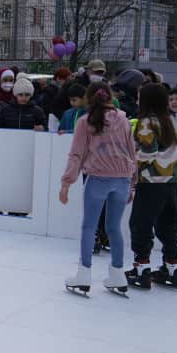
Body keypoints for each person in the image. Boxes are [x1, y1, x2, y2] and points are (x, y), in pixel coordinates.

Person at [58, 81, 136, 295]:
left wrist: (66, 183)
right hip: (121, 179)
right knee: (114, 227)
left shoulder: (85, 121)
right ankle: (118, 274)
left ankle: (84, 274)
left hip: (98, 178)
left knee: (88, 227)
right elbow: (131, 151)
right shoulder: (123, 118)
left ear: (88, 98)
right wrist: (132, 184)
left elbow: (76, 154)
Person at [127, 83, 177, 290]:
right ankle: (173, 268)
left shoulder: (146, 122)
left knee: (141, 224)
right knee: (168, 224)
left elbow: (148, 152)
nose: (136, 98)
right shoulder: (168, 120)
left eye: (139, 95)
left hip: (151, 182)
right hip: (172, 181)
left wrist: (131, 162)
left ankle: (141, 269)